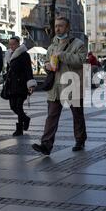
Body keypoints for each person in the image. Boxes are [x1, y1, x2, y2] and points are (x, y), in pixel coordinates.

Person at [32, 16, 88, 156]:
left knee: (77, 115)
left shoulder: (78, 44)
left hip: (72, 86)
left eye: (61, 26)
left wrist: (62, 55)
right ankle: (46, 145)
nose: (57, 28)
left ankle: (80, 140)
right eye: (56, 26)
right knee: (51, 116)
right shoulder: (52, 46)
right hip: (55, 88)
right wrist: (47, 66)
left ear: (67, 28)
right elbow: (46, 62)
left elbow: (80, 61)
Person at [5, 36, 37, 136]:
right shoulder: (9, 54)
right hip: (11, 85)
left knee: (19, 106)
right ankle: (26, 119)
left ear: (18, 43)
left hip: (22, 85)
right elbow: (9, 70)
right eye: (10, 44)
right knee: (13, 106)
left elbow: (28, 70)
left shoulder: (24, 55)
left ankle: (19, 129)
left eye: (13, 44)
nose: (11, 46)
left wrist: (30, 84)